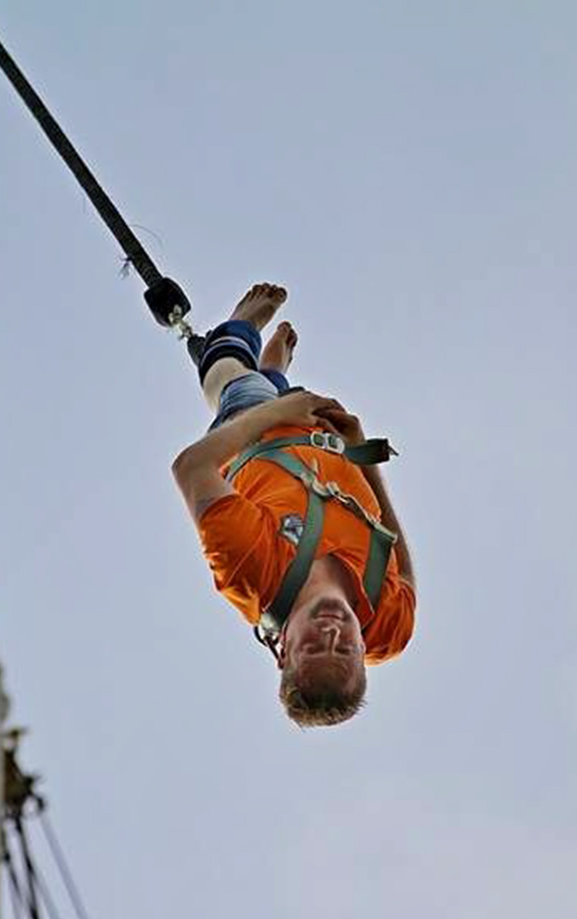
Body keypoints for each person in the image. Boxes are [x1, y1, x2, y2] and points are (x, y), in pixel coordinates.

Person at [171, 283, 416, 727]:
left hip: (255, 433)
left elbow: (192, 467)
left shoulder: (252, 571)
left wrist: (278, 413)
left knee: (234, 382)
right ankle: (274, 373)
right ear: (364, 652)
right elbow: (401, 566)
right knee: (268, 386)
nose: (332, 631)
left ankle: (240, 332)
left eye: (314, 646)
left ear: (283, 650)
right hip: (329, 439)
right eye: (346, 647)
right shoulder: (388, 627)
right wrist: (362, 457)